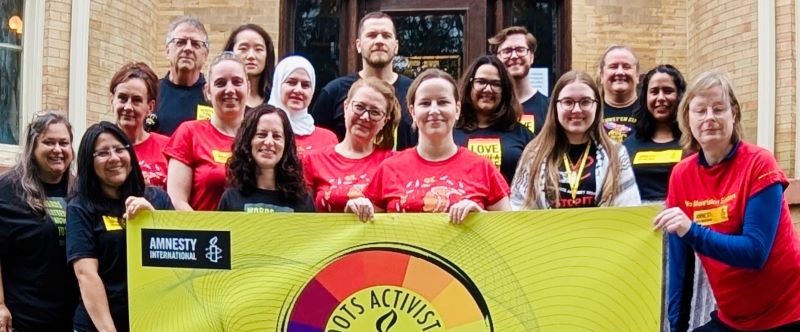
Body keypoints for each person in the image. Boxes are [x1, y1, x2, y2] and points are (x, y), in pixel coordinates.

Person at [654, 70, 800, 331]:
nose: (709, 117)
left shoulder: (759, 163)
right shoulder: (682, 175)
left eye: (718, 109)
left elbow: (754, 252)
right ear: (687, 118)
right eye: (700, 110)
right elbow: (680, 267)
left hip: (788, 312)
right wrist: (677, 327)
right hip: (733, 318)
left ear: (733, 114)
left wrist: (691, 230)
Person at [347, 69, 511, 224]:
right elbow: (364, 231)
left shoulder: (483, 168)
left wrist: (481, 218)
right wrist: (356, 209)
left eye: (443, 102)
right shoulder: (389, 169)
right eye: (425, 103)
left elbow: (510, 232)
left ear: (457, 109)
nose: (434, 110)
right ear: (412, 111)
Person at [67, 122, 172, 332]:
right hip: (99, 325)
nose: (114, 158)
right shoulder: (80, 207)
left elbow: (177, 262)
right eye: (103, 153)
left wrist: (152, 220)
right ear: (89, 162)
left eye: (119, 149)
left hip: (152, 321)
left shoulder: (157, 198)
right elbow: (86, 275)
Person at [510, 70, 640, 209]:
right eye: (568, 102)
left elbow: (629, 208)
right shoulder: (534, 153)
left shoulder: (616, 154)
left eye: (585, 102)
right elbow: (518, 208)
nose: (577, 110)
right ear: (555, 106)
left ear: (597, 106)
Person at [0, 112, 77, 332]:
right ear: (33, 146)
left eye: (64, 143)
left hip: (71, 318)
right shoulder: (7, 190)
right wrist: (0, 305)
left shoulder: (80, 191)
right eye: (49, 142)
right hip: (23, 318)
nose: (58, 149)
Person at [310, 11, 416, 149]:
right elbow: (316, 143)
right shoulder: (334, 91)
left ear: (396, 46)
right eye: (371, 35)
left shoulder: (415, 92)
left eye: (386, 35)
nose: (379, 41)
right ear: (358, 45)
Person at [165, 52, 248, 211]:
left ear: (248, 88)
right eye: (220, 83)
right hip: (198, 226)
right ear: (208, 91)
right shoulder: (189, 133)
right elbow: (176, 201)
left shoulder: (259, 138)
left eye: (237, 82)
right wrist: (204, 227)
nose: (229, 90)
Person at [303, 77, 399, 212]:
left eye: (375, 112)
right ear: (346, 106)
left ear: (385, 121)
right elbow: (303, 213)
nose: (365, 117)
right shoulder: (313, 160)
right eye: (359, 107)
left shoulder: (394, 163)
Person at [219, 104, 314, 212]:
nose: (269, 142)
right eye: (262, 134)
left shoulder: (303, 201)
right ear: (248, 141)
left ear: (286, 145)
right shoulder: (231, 198)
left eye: (276, 136)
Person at [454, 55, 533, 184]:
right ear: (469, 85)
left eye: (496, 84)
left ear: (505, 90)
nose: (487, 89)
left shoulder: (523, 135)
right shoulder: (450, 132)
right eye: (481, 82)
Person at [623, 64, 686, 203]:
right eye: (654, 92)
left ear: (680, 95)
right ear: (645, 97)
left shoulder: (694, 143)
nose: (661, 97)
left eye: (668, 91)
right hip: (637, 215)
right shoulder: (627, 146)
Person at [110, 62, 170, 189]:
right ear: (112, 101)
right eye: (122, 98)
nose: (128, 107)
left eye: (136, 100)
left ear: (150, 107)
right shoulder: (100, 148)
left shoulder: (167, 147)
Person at [268, 55, 337, 157]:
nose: (298, 90)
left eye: (305, 85)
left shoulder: (328, 140)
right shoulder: (261, 132)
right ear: (278, 84)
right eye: (291, 82)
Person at [154, 15, 210, 136]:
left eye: (195, 44)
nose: (188, 48)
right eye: (181, 42)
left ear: (205, 55)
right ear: (167, 51)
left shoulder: (213, 96)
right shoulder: (152, 91)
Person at [488, 26, 548, 136]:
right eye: (507, 51)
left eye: (520, 50)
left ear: (532, 57)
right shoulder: (488, 106)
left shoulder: (549, 108)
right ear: (497, 59)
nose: (514, 56)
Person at [223, 23, 276, 109]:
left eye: (258, 49)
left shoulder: (276, 99)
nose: (251, 56)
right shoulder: (219, 96)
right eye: (243, 49)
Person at [598, 45, 640, 143]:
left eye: (626, 67)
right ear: (602, 76)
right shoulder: (592, 112)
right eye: (613, 66)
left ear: (637, 75)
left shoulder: (649, 112)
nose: (620, 72)